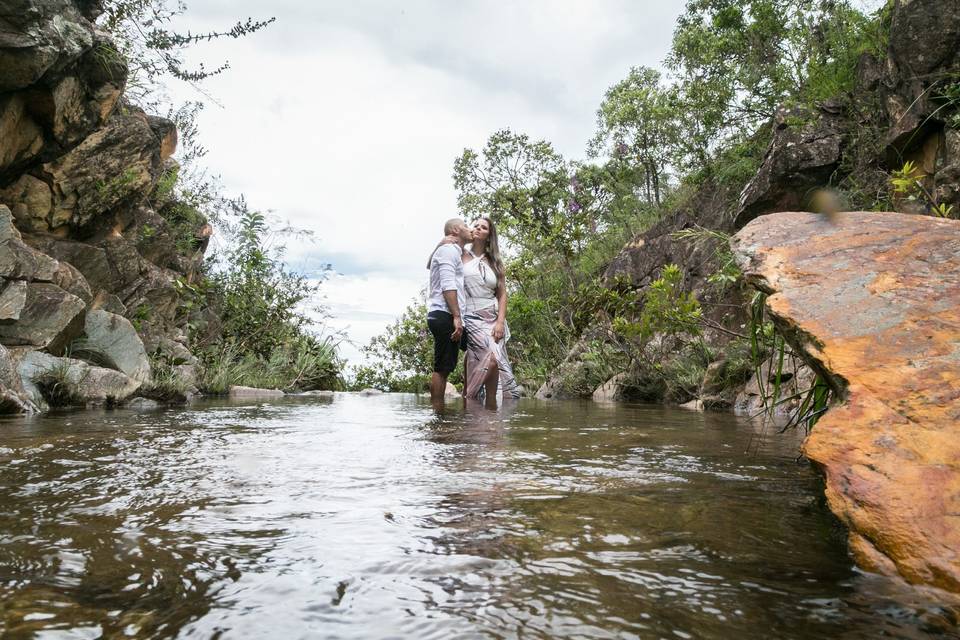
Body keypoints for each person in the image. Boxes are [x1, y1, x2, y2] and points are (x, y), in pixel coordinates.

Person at [461, 216, 523, 401]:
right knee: (488, 358)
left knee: (496, 359)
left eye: (484, 227)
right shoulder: (460, 254)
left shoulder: (495, 261)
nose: (479, 229)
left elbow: (502, 294)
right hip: (470, 316)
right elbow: (435, 266)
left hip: (493, 316)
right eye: (476, 226)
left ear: (489, 235)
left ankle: (491, 407)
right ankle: (470, 396)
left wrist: (500, 322)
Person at [426, 218, 473, 405]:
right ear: (455, 230)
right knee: (442, 368)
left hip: (448, 314)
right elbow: (447, 285)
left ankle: (468, 397)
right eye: (466, 226)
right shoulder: (448, 250)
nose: (470, 229)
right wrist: (456, 317)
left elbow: (430, 265)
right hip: (445, 314)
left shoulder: (453, 251)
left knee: (475, 347)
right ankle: (438, 415)